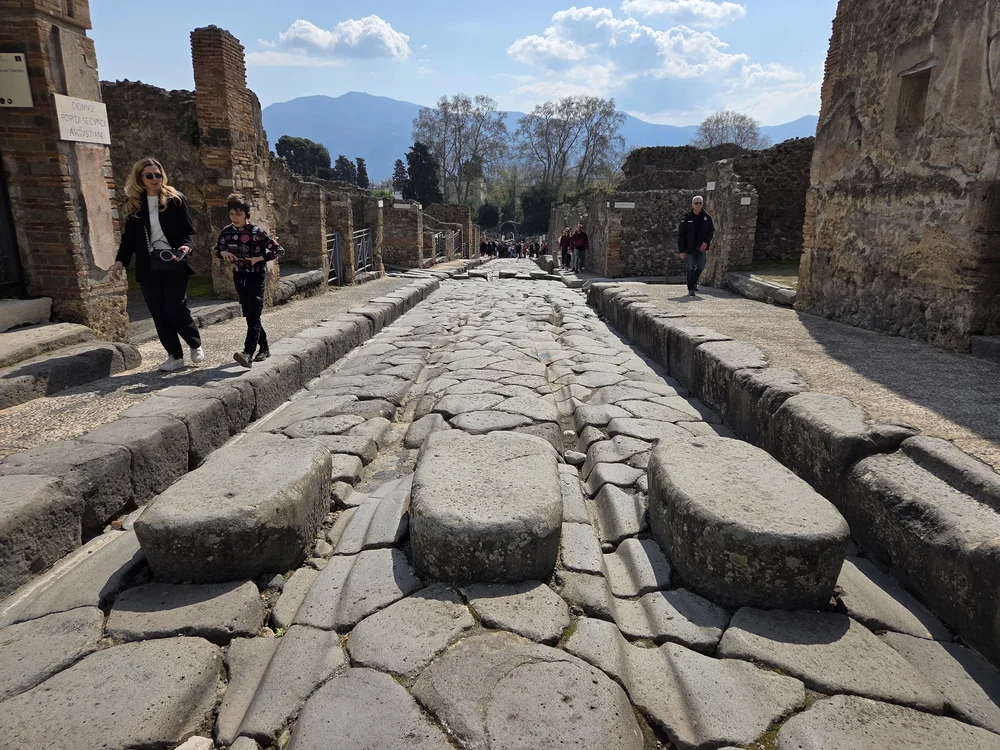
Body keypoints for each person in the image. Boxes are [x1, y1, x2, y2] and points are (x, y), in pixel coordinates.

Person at [110, 157, 203, 372]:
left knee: (175, 307)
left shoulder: (175, 200)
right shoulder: (135, 205)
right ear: (140, 179)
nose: (155, 179)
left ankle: (194, 343)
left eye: (158, 175)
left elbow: (189, 232)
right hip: (148, 265)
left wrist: (186, 247)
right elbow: (129, 239)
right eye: (149, 175)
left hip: (175, 260)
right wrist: (120, 261)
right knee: (158, 312)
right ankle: (175, 356)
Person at [216, 193, 285, 368]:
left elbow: (278, 250)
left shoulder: (257, 232)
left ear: (246, 214)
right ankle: (265, 347)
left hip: (256, 275)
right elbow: (218, 249)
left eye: (238, 214)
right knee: (249, 314)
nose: (235, 217)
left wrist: (260, 258)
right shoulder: (226, 232)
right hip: (239, 275)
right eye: (232, 214)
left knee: (254, 313)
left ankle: (248, 353)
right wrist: (223, 253)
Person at [677, 195, 714, 296]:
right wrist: (681, 250)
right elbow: (681, 235)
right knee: (690, 267)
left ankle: (693, 281)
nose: (698, 205)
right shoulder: (686, 218)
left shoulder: (707, 217)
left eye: (700, 203)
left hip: (701, 247)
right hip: (690, 247)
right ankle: (691, 288)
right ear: (692, 205)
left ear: (702, 204)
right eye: (696, 203)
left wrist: (706, 242)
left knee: (701, 266)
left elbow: (711, 231)